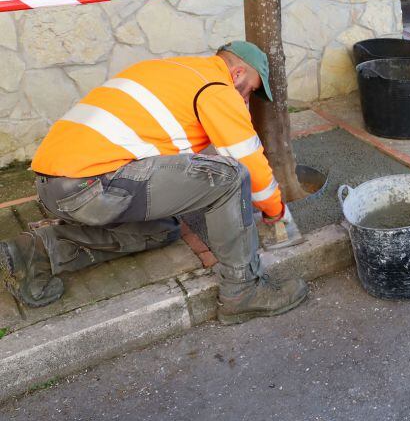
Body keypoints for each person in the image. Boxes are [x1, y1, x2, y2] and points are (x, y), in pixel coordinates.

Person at [0, 41, 309, 324]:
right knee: (230, 177)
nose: (245, 98)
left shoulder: (173, 71)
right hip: (91, 186)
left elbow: (179, 154)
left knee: (164, 230)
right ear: (237, 72)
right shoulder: (216, 86)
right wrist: (274, 210)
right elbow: (247, 160)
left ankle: (40, 249)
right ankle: (242, 291)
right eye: (248, 89)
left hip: (54, 186)